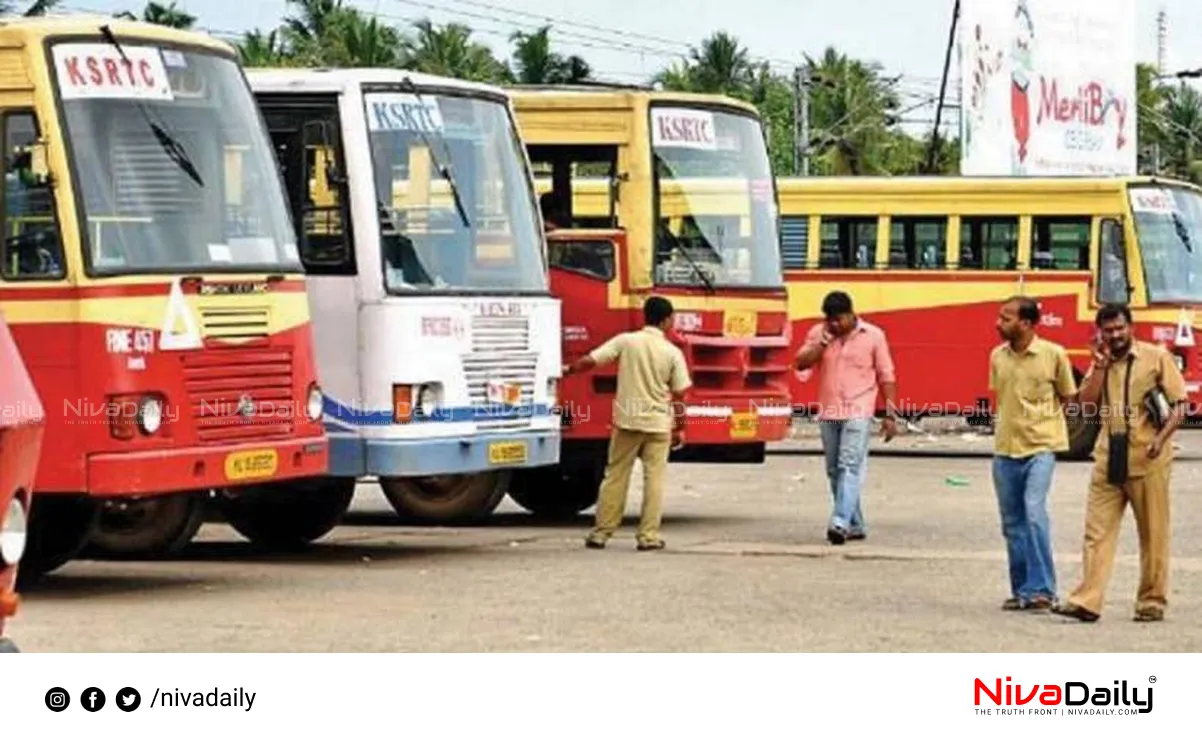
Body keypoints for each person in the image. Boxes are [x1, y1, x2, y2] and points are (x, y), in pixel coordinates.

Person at [1052, 304, 1187, 623]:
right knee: (1096, 532)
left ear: (1131, 327)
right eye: (1108, 330)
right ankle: (1088, 600)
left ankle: (1151, 600)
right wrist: (1098, 367)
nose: (1114, 335)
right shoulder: (1102, 361)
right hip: (1107, 456)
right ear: (1100, 333)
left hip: (1147, 457)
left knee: (1153, 533)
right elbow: (1085, 406)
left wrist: (1161, 439)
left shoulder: (1156, 358)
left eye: (1119, 329)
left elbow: (1180, 405)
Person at [561, 296, 691, 551]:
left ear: (645, 317)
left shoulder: (627, 341)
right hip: (657, 424)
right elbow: (679, 394)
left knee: (615, 476)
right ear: (666, 321)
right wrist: (680, 426)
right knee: (654, 480)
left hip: (627, 421)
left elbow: (591, 360)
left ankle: (601, 533)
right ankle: (648, 536)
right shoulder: (672, 352)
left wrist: (569, 370)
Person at [989, 296, 1077, 612]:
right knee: (1012, 523)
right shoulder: (997, 356)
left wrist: (1047, 426)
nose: (999, 323)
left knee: (1034, 513)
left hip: (1041, 447)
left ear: (1026, 323)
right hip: (1005, 450)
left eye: (1006, 318)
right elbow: (1001, 397)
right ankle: (1023, 590)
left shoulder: (1054, 355)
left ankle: (1043, 589)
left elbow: (1069, 397)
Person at [793, 290, 899, 545]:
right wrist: (823, 342)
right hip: (829, 410)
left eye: (840, 320)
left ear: (852, 315)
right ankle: (856, 523)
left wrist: (890, 414)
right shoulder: (819, 333)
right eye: (831, 320)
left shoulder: (874, 336)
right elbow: (801, 364)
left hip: (859, 409)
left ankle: (839, 521)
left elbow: (886, 375)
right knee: (834, 470)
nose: (836, 325)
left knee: (849, 464)